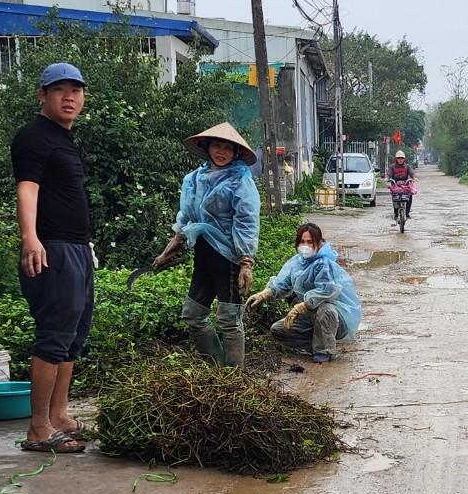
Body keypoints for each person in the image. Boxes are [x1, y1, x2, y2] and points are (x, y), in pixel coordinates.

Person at [12, 62, 94, 454]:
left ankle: (59, 415)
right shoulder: (33, 137)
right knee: (54, 336)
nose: (69, 97)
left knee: (73, 337)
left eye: (75, 90)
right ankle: (39, 427)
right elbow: (27, 189)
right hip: (53, 249)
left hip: (76, 249)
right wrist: (31, 238)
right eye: (59, 90)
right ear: (42, 96)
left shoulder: (63, 137)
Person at [150, 123, 260, 368]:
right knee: (193, 315)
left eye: (227, 148)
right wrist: (166, 253)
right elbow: (186, 219)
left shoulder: (240, 182)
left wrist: (246, 262)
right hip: (203, 254)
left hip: (229, 258)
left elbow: (247, 221)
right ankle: (218, 373)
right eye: (217, 146)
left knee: (230, 319)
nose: (221, 152)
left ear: (236, 153)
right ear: (207, 148)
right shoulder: (194, 179)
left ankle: (234, 381)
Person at [244, 223, 362, 363]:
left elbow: (327, 291)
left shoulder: (323, 264)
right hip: (308, 316)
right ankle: (316, 343)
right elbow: (284, 284)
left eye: (310, 242)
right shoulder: (297, 263)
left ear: (318, 244)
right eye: (302, 241)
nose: (305, 246)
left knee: (325, 310)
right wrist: (263, 294)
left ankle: (324, 349)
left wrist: (303, 305)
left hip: (333, 318)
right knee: (278, 330)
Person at [385, 149, 417, 218]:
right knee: (394, 197)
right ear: (396, 159)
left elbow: (411, 173)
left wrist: (414, 178)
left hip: (405, 184)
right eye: (399, 158)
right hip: (395, 185)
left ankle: (407, 213)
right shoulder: (392, 167)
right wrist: (386, 178)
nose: (400, 160)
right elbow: (388, 174)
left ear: (404, 159)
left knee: (409, 196)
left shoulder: (407, 166)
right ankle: (396, 213)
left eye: (402, 158)